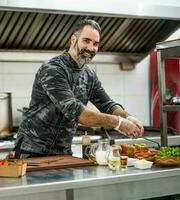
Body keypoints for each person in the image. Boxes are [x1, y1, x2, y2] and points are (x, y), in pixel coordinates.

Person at [14, 19, 144, 159]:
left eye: (95, 44)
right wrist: (118, 123)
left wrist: (128, 117)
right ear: (73, 39)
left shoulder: (89, 74)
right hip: (33, 150)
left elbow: (107, 104)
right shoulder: (53, 69)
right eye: (86, 41)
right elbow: (76, 111)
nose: (91, 47)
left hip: (63, 152)